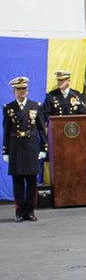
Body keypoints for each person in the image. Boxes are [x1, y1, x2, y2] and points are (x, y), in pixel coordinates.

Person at [3, 76, 48, 222]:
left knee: (31, 182)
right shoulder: (9, 108)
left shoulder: (35, 106)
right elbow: (6, 130)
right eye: (18, 89)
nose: (21, 92)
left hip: (31, 148)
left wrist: (43, 147)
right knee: (18, 182)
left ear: (27, 91)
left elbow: (41, 129)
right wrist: (6, 151)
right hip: (16, 148)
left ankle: (30, 211)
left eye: (23, 89)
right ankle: (19, 212)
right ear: (14, 91)